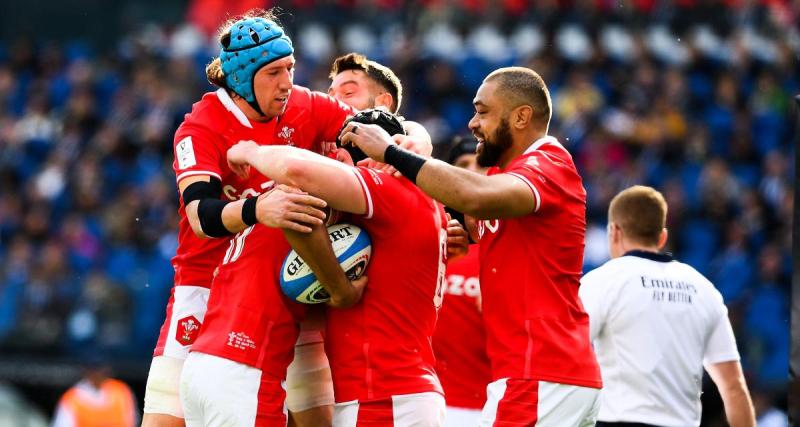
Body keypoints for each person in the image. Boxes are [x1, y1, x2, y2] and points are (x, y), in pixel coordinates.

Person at [143, 11, 434, 427]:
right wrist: (256, 209)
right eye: (275, 72)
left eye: (291, 68)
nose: (287, 82)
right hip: (204, 286)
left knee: (316, 419)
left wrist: (413, 142)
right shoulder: (200, 127)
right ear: (243, 78)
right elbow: (200, 214)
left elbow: (380, 128)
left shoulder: (302, 105)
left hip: (295, 280)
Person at [341, 66, 602, 425]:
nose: (471, 123)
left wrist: (391, 152)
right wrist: (463, 233)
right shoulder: (507, 175)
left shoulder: (549, 162)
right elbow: (484, 220)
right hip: (546, 373)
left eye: (482, 111)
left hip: (539, 370)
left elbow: (473, 195)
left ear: (521, 116)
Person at [225, 115, 449, 425]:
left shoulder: (390, 189)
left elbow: (296, 175)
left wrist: (250, 150)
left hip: (383, 398)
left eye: (338, 156)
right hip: (403, 391)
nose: (333, 162)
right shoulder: (425, 199)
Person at [579, 185, 756, 427]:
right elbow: (734, 388)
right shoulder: (703, 289)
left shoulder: (601, 282)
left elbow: (567, 356)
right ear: (662, 237)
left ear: (614, 232)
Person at [432, 137, 492, 427]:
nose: (472, 173)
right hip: (427, 405)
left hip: (490, 410)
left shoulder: (510, 250)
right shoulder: (428, 243)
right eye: (463, 166)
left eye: (481, 165)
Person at [52, 358, 138, 427]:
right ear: (86, 371)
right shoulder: (72, 398)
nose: (98, 374)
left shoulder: (121, 391)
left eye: (101, 369)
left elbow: (132, 421)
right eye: (94, 370)